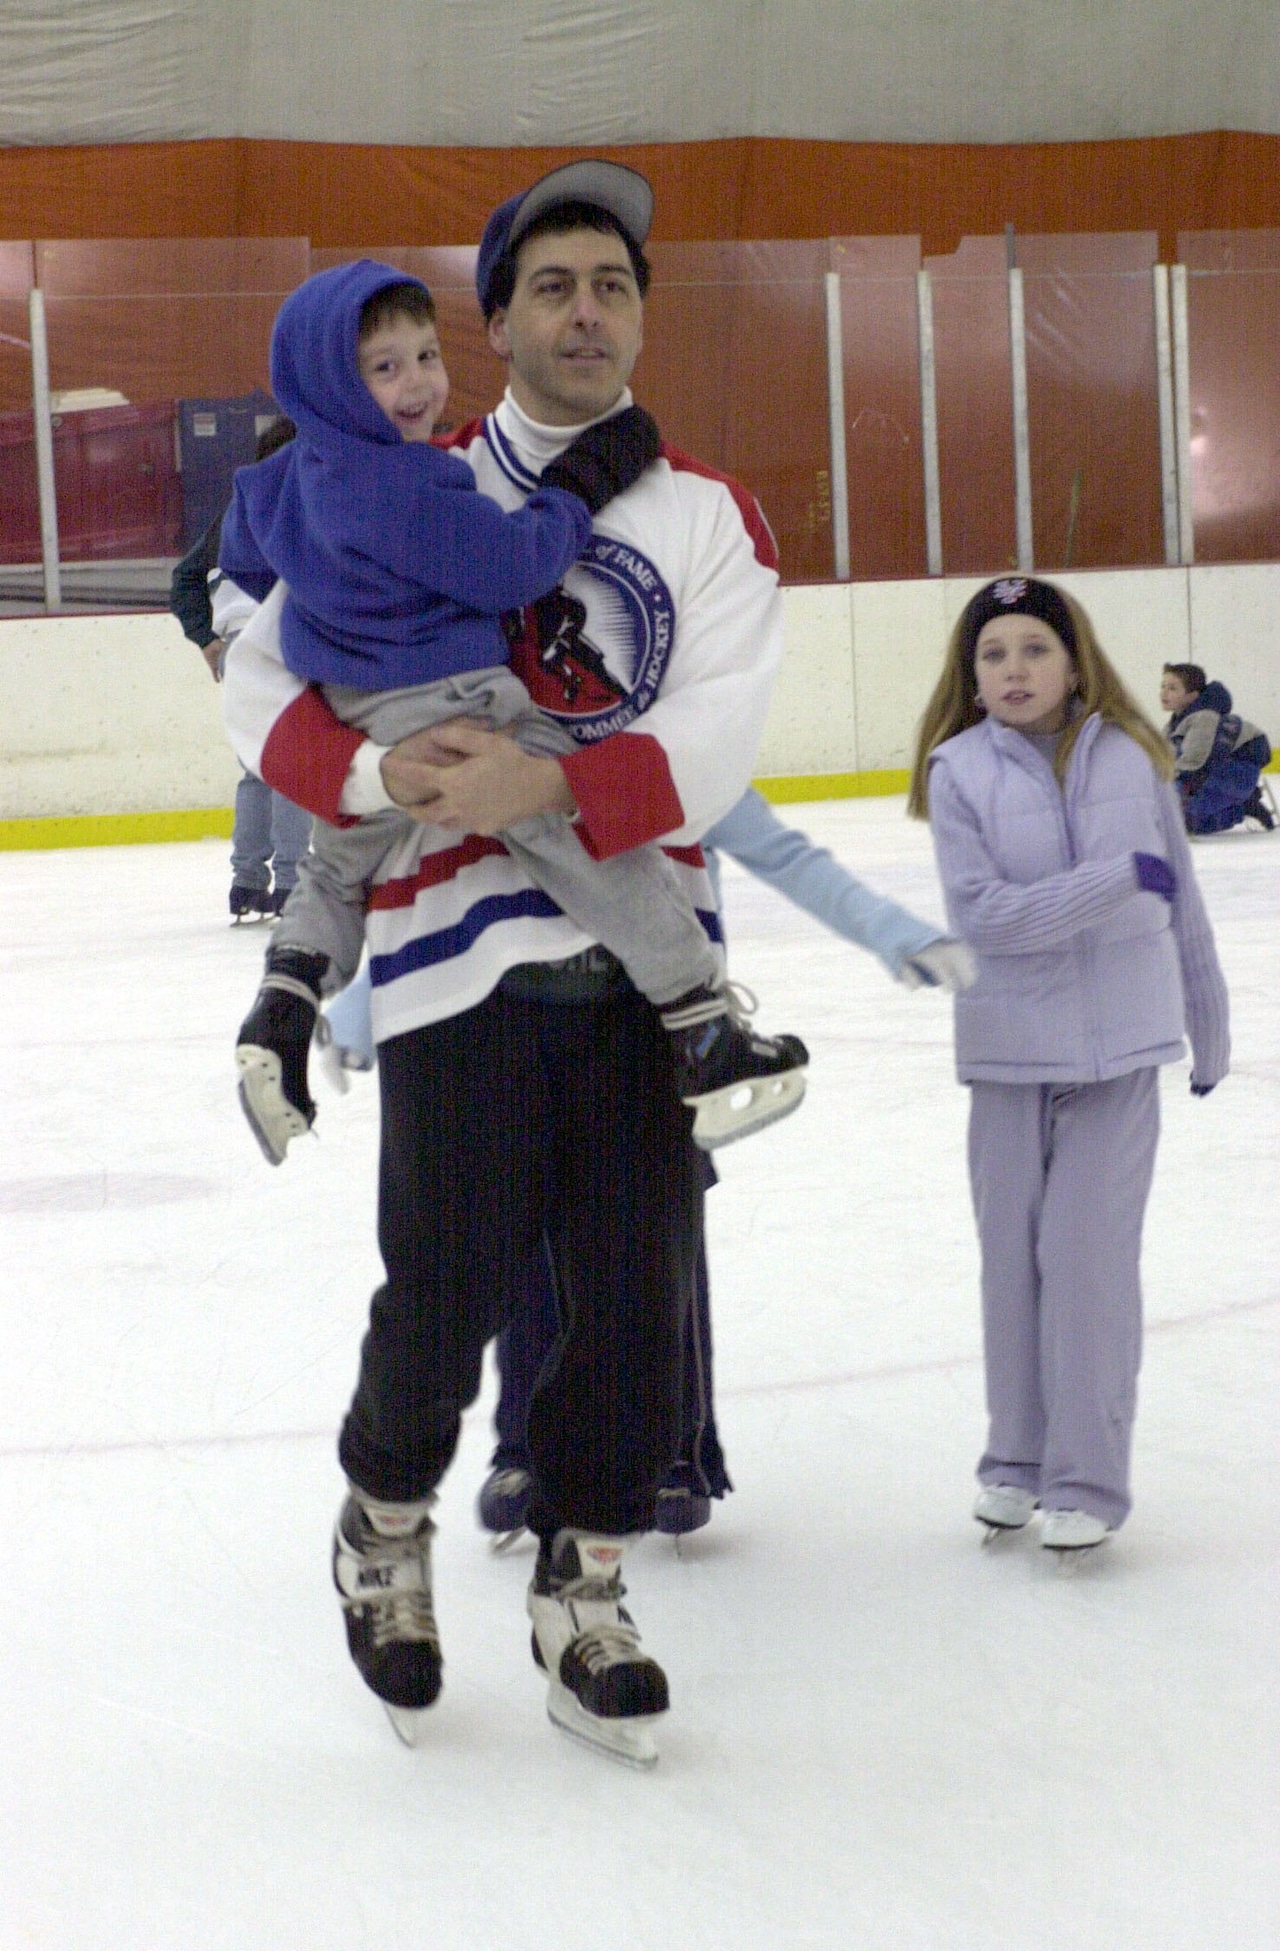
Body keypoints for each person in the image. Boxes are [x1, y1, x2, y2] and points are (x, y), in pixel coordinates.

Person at [218, 160, 792, 1766]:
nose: (586, 310)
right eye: (553, 285)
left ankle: (587, 1585)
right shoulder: (398, 471)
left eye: (612, 282)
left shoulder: (705, 514)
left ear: (640, 314)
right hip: (456, 959)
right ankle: (383, 1523)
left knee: (630, 1299)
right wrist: (372, 780)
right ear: (496, 324)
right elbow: (255, 665)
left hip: (635, 968)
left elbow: (723, 728)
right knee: (448, 1287)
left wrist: (551, 781)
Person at [224, 260, 806, 1165]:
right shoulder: (412, 483)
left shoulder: (292, 480)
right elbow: (513, 566)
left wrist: (368, 767)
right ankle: (700, 1021)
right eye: (385, 369)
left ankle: (285, 1002)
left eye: (424, 355)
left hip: (360, 709)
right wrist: (576, 489)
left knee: (333, 873)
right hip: (461, 706)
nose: (418, 383)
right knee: (571, 831)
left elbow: (263, 586)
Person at [908, 577, 1229, 1559]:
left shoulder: (1133, 755)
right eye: (993, 652)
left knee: (1085, 1266)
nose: (1013, 668)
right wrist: (1111, 881)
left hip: (1120, 1048)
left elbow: (1172, 900)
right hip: (1005, 1052)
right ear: (970, 674)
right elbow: (983, 917)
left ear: (1072, 659)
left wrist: (1205, 1021)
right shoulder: (956, 769)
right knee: (1011, 1267)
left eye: (1033, 649)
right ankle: (1014, 1459)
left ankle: (1083, 1477)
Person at [168, 416, 310, 920]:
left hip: (238, 642)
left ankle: (247, 882)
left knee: (256, 766)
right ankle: (293, 883)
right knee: (292, 763)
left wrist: (209, 639)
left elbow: (185, 579)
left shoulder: (236, 506)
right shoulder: (299, 500)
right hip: (279, 635)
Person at [1159, 663, 1274, 833]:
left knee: (1184, 822)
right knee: (1171, 817)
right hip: (1213, 773)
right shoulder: (1173, 724)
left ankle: (1244, 807)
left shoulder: (1204, 718)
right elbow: (1164, 758)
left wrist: (1164, 781)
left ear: (1192, 696)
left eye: (1172, 688)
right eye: (1163, 686)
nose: (1164, 692)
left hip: (1238, 772)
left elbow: (1193, 762)